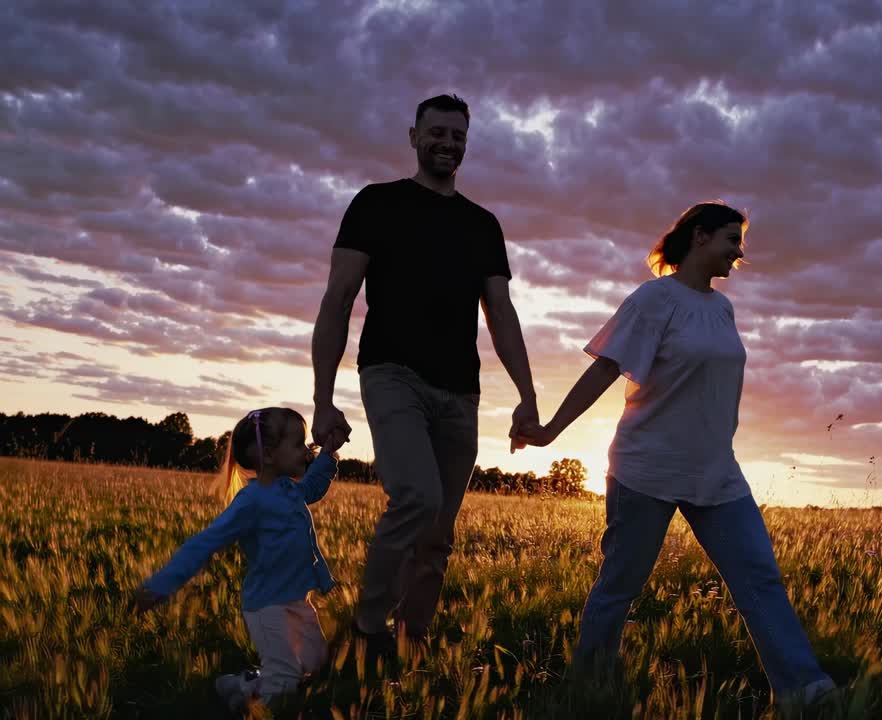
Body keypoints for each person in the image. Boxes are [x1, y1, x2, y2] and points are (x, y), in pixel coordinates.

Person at [515, 202, 837, 714]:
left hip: (716, 472)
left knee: (759, 577)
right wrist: (552, 429)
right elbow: (606, 369)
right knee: (620, 585)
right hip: (647, 468)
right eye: (732, 239)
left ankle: (804, 691)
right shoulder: (654, 299)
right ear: (700, 237)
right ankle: (590, 688)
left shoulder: (722, 309)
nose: (740, 251)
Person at [310, 93, 538, 657]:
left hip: (460, 390)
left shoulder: (482, 225)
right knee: (415, 495)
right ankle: (369, 627)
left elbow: (501, 314)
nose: (447, 143)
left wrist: (528, 396)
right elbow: (338, 299)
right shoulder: (376, 204)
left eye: (458, 136)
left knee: (437, 535)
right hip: (393, 374)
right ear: (413, 137)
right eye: (436, 133)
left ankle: (413, 647)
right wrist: (323, 399)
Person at [134, 407, 346, 711]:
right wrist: (161, 585)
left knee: (315, 666)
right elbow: (205, 543)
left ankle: (245, 683)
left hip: (299, 601)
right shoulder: (251, 500)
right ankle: (250, 702)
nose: (305, 450)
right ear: (270, 455)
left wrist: (328, 454)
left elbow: (312, 487)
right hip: (267, 606)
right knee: (285, 681)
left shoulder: (289, 489)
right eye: (298, 444)